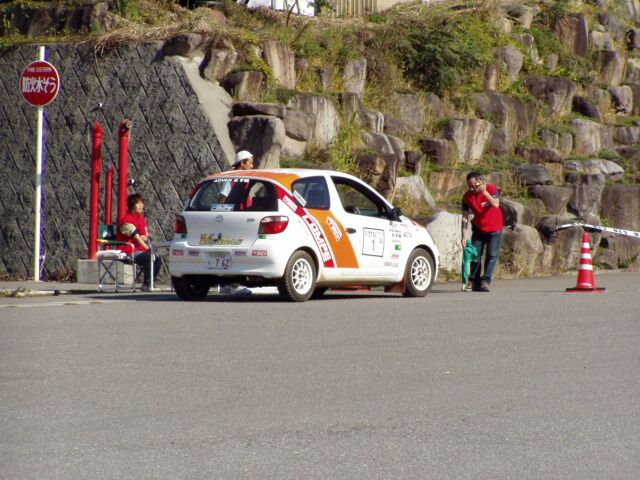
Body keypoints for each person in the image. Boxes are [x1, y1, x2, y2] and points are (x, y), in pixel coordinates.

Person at [218, 150, 255, 295]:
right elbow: (221, 199)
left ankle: (233, 283)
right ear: (243, 163)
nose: (252, 166)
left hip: (243, 220)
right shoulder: (232, 178)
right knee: (234, 252)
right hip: (233, 221)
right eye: (250, 162)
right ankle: (231, 283)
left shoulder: (245, 179)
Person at [460, 172, 504, 292]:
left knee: (491, 255)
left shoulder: (491, 189)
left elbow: (496, 204)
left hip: (495, 228)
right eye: (469, 186)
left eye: (474, 185)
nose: (471, 188)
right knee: (475, 255)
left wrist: (484, 192)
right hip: (479, 228)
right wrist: (464, 235)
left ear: (481, 182)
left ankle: (485, 281)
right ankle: (474, 281)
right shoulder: (467, 197)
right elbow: (465, 217)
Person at [117, 193, 160, 292]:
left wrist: (144, 239)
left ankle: (151, 282)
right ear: (132, 205)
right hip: (128, 251)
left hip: (139, 250)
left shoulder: (141, 219)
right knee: (149, 257)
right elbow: (137, 238)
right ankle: (147, 284)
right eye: (138, 203)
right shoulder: (126, 221)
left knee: (157, 259)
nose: (141, 206)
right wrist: (147, 248)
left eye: (142, 203)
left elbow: (143, 236)